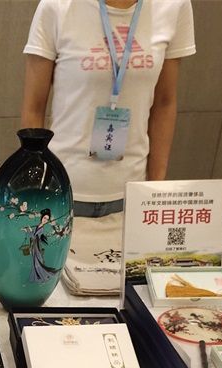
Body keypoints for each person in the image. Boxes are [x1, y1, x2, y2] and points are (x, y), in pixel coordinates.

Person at [21, 0, 195, 218]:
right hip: (61, 189)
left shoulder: (173, 6)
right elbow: (34, 108)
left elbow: (164, 103)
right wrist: (36, 188)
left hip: (132, 191)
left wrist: (154, 189)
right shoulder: (57, 7)